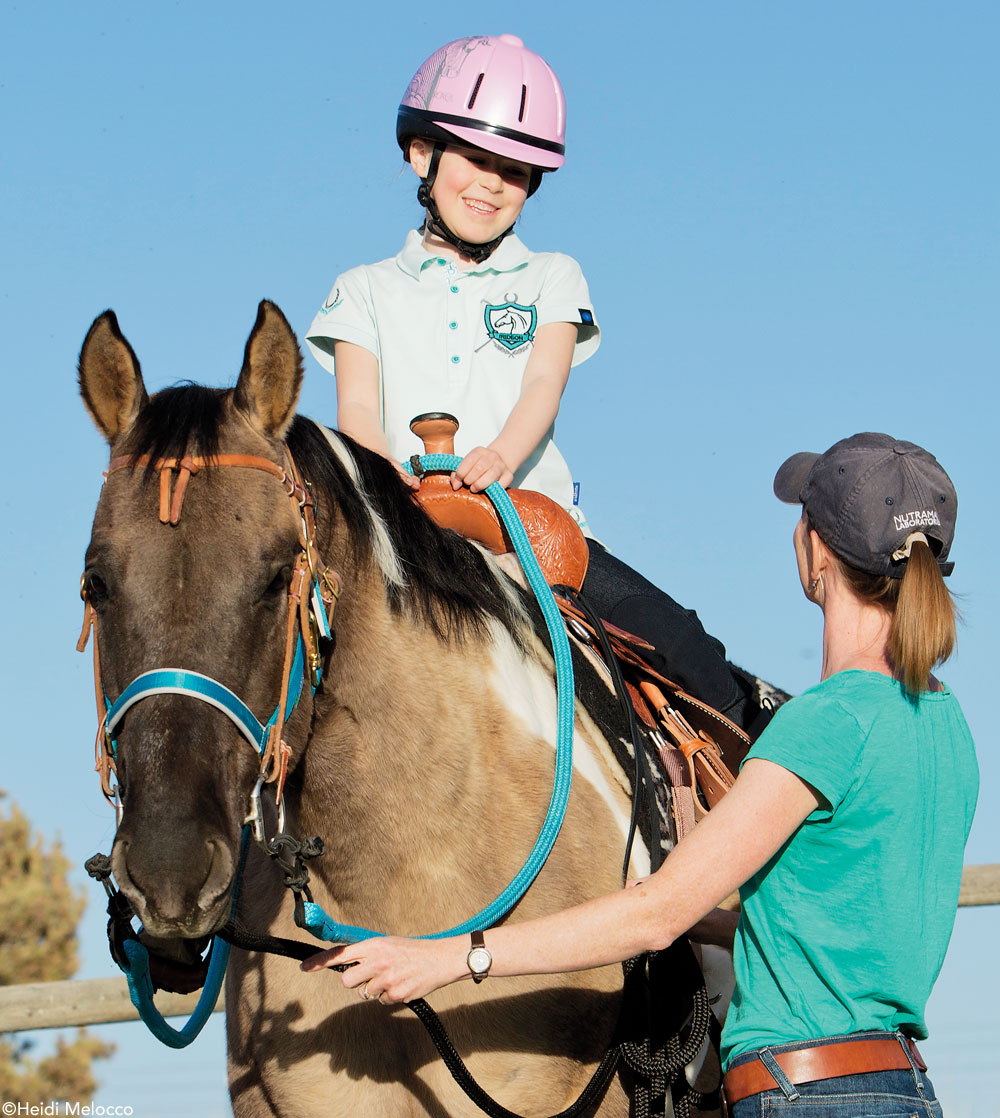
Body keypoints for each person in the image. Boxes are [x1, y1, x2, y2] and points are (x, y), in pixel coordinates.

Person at [303, 432, 979, 1117]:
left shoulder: (823, 724)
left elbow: (655, 917)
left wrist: (450, 958)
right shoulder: (946, 726)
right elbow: (833, 918)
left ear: (816, 552)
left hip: (807, 1093)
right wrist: (704, 922)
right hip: (899, 1088)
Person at [305, 33, 768, 732]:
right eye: (476, 158)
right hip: (398, 525)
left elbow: (544, 384)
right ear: (421, 154)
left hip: (530, 521)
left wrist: (499, 456)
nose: (492, 182)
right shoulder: (361, 290)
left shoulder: (553, 276)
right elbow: (359, 410)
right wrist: (390, 480)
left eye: (515, 170)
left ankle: (750, 784)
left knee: (686, 648)